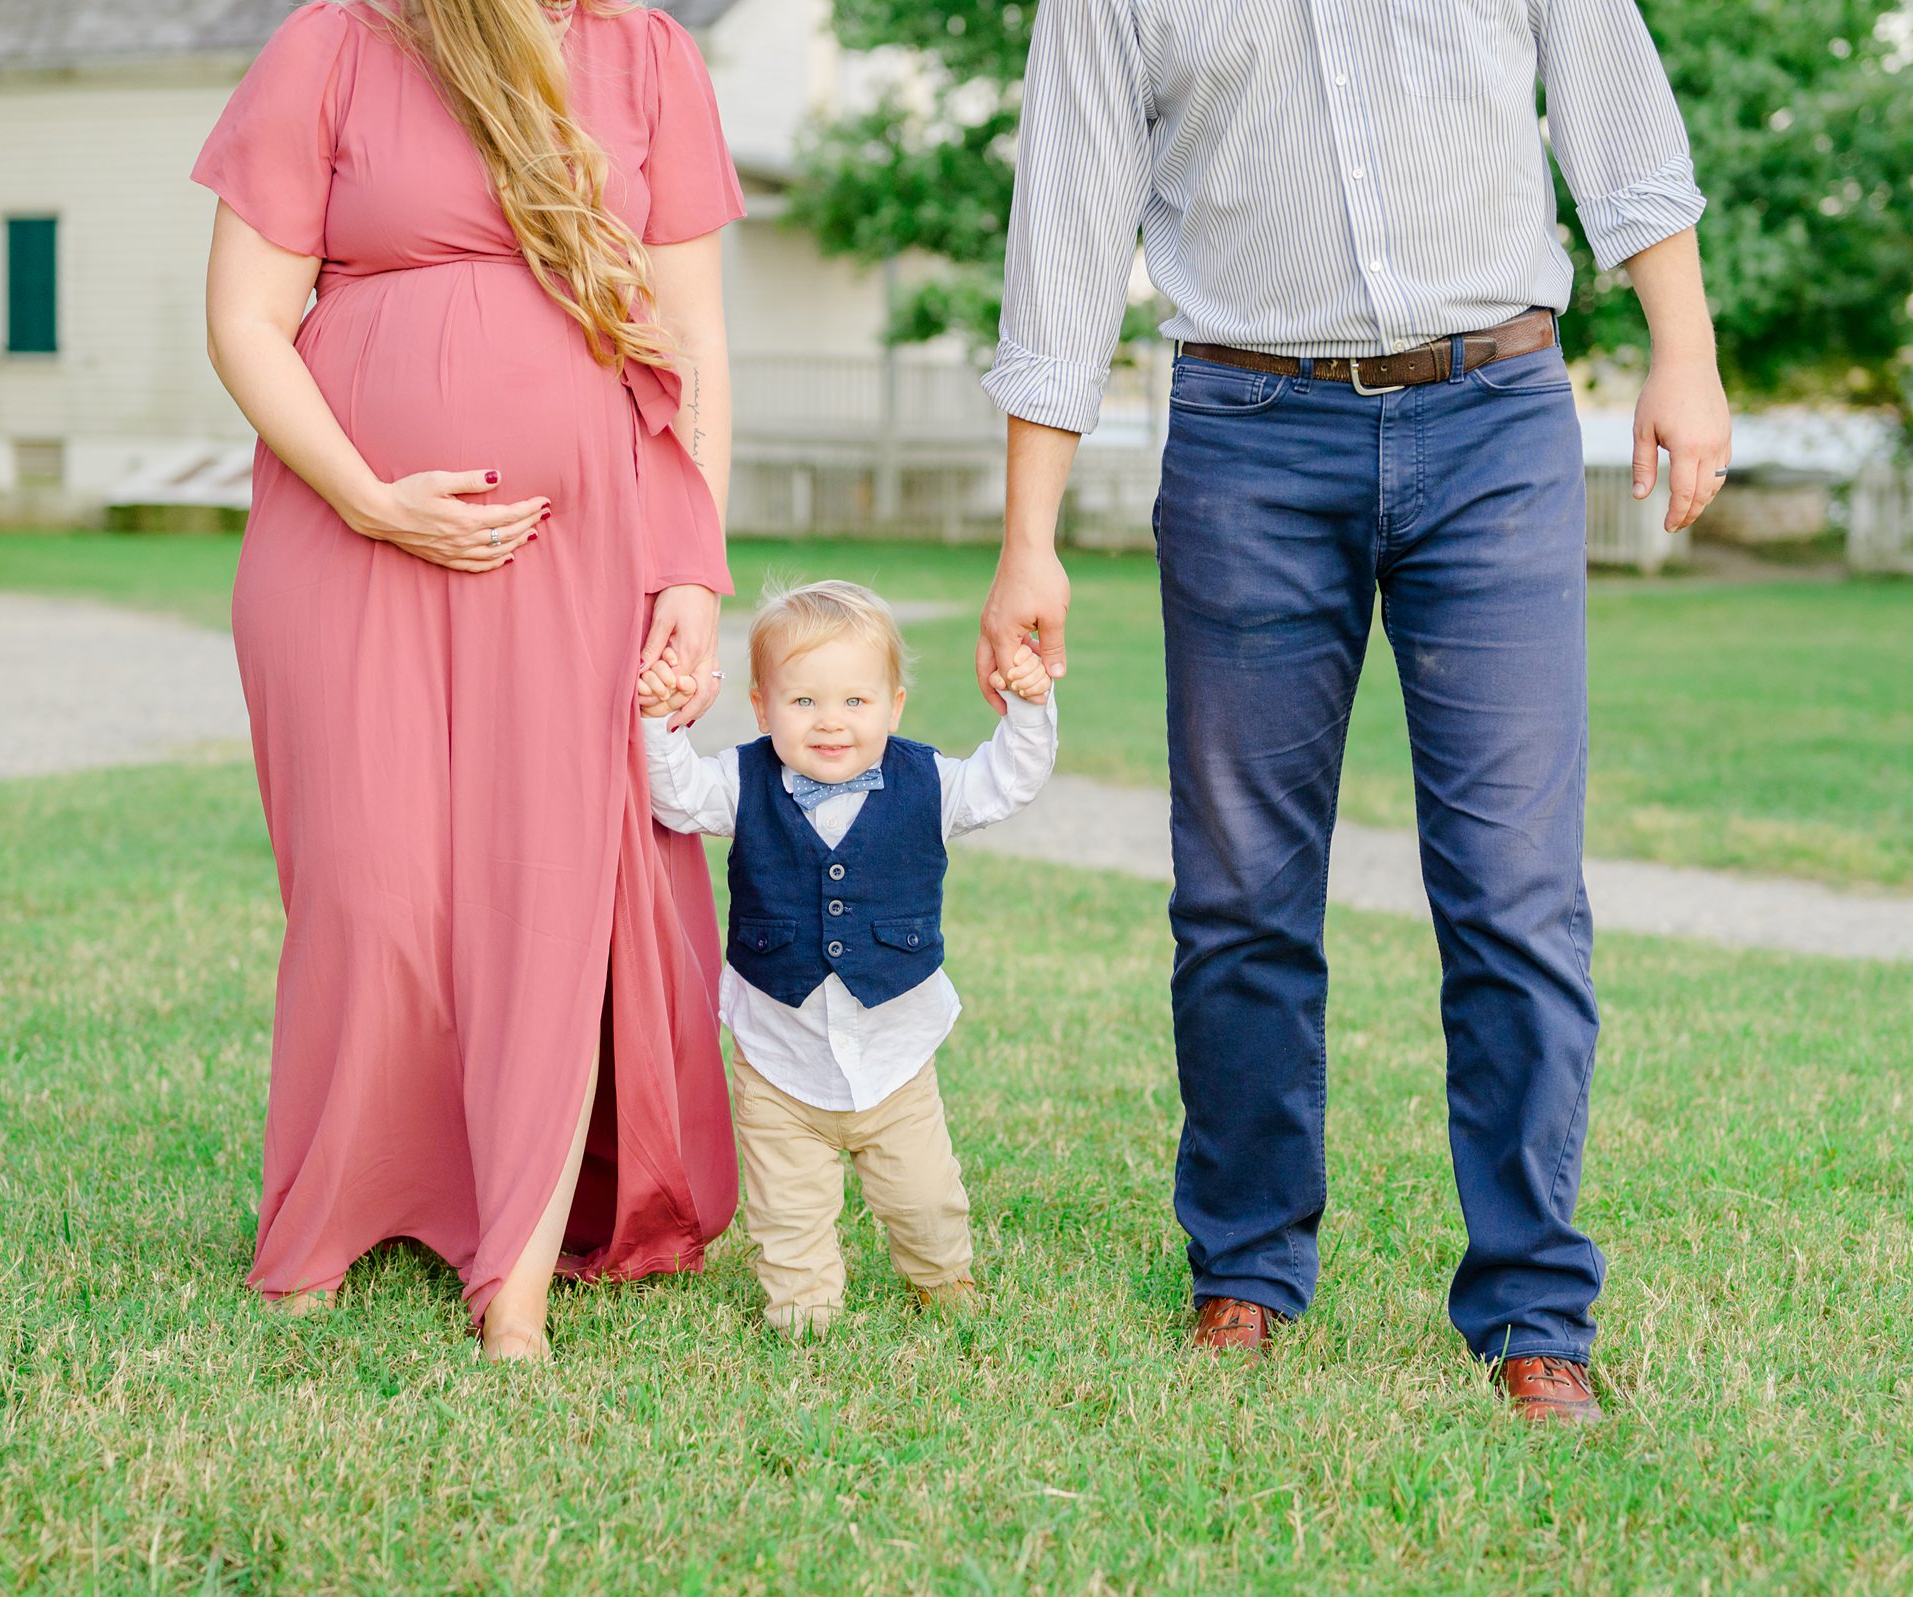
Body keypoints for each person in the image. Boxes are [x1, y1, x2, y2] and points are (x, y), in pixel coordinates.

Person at [978, 0, 1734, 1421]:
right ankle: (1247, 1270)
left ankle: (1532, 1308)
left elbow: (1616, 114)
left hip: (1495, 415)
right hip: (1247, 436)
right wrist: (1032, 534)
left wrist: (1680, 350)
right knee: (1241, 891)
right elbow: (1067, 230)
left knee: (1514, 890)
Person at [194, 0, 746, 1361]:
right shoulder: (338, 41)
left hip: (586, 548)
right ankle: (330, 1217)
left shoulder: (647, 55)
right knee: (367, 887)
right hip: (345, 532)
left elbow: (694, 340)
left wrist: (689, 570)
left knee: (545, 892)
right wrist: (369, 496)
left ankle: (517, 1278)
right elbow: (246, 319)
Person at [637, 582, 1057, 1334]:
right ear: (763, 708)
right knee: (786, 1208)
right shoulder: (743, 780)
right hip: (778, 1068)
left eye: (855, 703)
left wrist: (1028, 707)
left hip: (895, 1064)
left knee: (925, 1197)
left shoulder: (929, 784)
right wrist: (655, 725)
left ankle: (941, 1278)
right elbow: (677, 797)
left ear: (893, 707)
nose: (831, 721)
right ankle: (803, 1309)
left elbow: (1009, 781)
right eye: (804, 703)